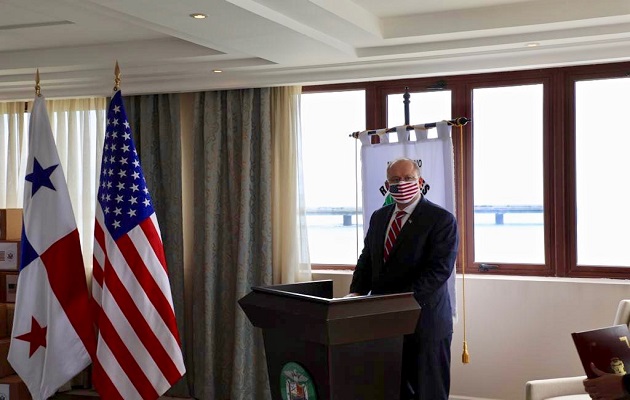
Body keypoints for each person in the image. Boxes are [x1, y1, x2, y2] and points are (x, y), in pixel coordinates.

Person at [346, 157, 459, 400]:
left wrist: (398, 303)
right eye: (395, 180)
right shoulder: (379, 217)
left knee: (429, 392)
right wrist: (355, 294)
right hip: (384, 324)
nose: (402, 183)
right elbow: (367, 259)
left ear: (420, 181)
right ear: (387, 186)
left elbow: (438, 271)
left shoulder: (441, 219)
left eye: (408, 178)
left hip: (425, 322)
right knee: (390, 390)